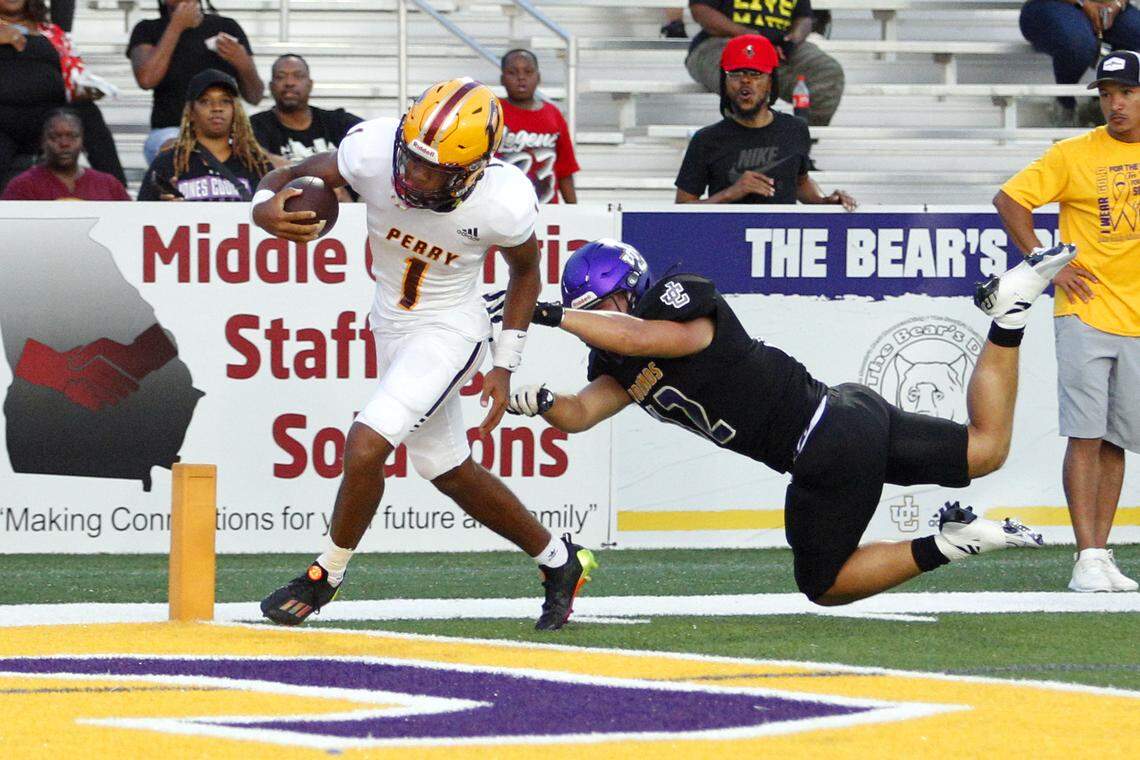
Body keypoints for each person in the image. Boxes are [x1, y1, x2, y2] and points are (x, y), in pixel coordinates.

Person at [506, 238, 1073, 606]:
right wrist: (537, 401)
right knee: (985, 450)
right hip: (845, 415)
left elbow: (649, 337)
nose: (592, 320)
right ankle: (1011, 314)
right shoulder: (616, 358)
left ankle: (950, 546)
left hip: (822, 441)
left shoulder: (676, 303)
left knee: (823, 585)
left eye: (598, 306)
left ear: (630, 293)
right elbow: (581, 413)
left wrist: (551, 314)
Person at [249, 77, 598, 631]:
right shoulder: (373, 149)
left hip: (448, 328)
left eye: (436, 171)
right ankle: (559, 559)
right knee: (446, 467)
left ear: (476, 169)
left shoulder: (503, 201)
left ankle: (325, 574)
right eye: (412, 161)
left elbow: (526, 272)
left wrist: (504, 364)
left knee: (366, 445)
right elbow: (288, 175)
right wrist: (262, 208)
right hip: (389, 322)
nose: (415, 177)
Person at [993, 51, 1140, 593]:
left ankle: (1101, 554)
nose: (1115, 103)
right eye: (1106, 94)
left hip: (1138, 319)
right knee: (1086, 433)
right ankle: (1085, 558)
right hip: (1086, 311)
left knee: (1117, 439)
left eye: (1126, 92)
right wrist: (1045, 266)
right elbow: (1009, 200)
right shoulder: (1074, 153)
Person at [675, 35, 855, 208]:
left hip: (780, 237)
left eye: (755, 73)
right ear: (725, 81)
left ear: (770, 81)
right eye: (736, 74)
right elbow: (682, 208)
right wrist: (729, 194)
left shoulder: (795, 129)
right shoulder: (706, 139)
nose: (746, 80)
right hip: (726, 237)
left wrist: (825, 201)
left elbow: (801, 182)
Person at [0, 0, 125, 191]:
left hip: (46, 117)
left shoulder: (51, 32)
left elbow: (72, 73)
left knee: (87, 112)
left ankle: (120, 195)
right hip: (3, 119)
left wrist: (84, 89)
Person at [128, 0, 263, 165]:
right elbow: (147, 79)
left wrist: (244, 63)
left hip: (226, 132)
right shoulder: (147, 29)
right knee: (175, 153)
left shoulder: (226, 26)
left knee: (266, 160)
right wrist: (176, 26)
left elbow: (255, 96)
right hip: (171, 130)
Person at [686, 0, 844, 126]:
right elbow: (701, 10)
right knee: (741, 69)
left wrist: (792, 39)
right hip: (722, 40)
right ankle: (742, 152)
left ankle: (799, 149)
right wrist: (750, 36)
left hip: (779, 46)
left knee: (827, 72)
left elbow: (804, 17)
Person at [138, 68, 271, 201]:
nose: (216, 108)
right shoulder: (167, 164)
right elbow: (139, 216)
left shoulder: (257, 165)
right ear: (191, 112)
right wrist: (162, 210)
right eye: (205, 101)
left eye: (225, 101)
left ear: (235, 110)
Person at [250, 53, 362, 201]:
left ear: (310, 84)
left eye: (298, 76)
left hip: (345, 211)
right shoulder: (256, 125)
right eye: (280, 76)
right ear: (271, 86)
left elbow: (371, 140)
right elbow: (259, 157)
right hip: (282, 210)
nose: (289, 82)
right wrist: (319, 183)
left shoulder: (337, 121)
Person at [1020, 0, 1140, 126]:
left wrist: (1117, 3)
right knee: (1078, 44)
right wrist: (1083, 3)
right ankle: (1065, 105)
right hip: (1052, 5)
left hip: (1107, 5)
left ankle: (1103, 102)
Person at [496, 48, 579, 204]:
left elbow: (565, 171)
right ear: (502, 78)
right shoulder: (492, 112)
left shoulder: (553, 114)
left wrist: (573, 211)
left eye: (528, 72)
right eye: (512, 72)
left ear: (538, 77)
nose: (521, 78)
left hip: (546, 209)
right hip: (502, 209)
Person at [1, 107, 130, 199]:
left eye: (72, 136)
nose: (64, 144)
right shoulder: (22, 187)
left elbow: (129, 224)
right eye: (55, 137)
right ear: (42, 142)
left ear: (83, 141)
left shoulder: (109, 185)